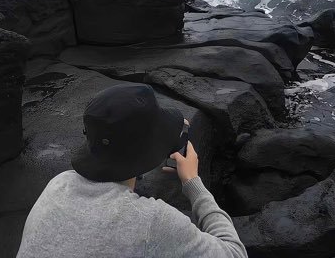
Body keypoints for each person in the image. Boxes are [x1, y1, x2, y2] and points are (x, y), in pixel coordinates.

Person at [17, 83, 248, 258]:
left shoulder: (58, 184)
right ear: (152, 148)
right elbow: (235, 253)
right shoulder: (151, 222)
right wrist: (193, 183)